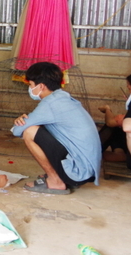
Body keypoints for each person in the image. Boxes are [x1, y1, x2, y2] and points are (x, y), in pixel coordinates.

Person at [12, 62, 101, 194]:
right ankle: (58, 175)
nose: (30, 89)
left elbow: (16, 130)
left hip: (77, 172)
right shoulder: (62, 97)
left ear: (41, 86)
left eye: (30, 85)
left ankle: (56, 181)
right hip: (86, 169)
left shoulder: (50, 104)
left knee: (29, 131)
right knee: (40, 128)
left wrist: (19, 122)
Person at [98, 69, 131, 163]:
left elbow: (110, 122)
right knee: (119, 127)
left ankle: (95, 151)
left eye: (129, 89)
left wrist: (107, 109)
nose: (130, 93)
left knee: (115, 127)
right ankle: (118, 152)